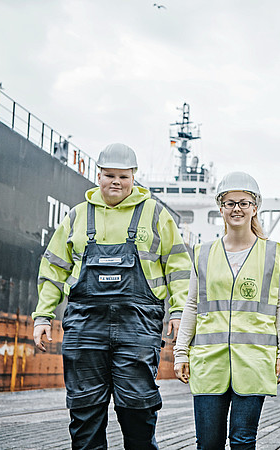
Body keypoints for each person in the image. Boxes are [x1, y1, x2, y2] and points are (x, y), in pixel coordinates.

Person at [32, 143, 192, 449]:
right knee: (85, 410)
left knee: (138, 408)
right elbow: (53, 268)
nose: (115, 182)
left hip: (138, 325)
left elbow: (179, 265)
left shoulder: (156, 214)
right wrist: (43, 315)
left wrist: (178, 310)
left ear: (134, 177)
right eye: (108, 175)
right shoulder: (78, 216)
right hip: (85, 325)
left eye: (122, 176)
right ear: (98, 175)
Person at [173, 172, 280, 450]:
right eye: (229, 203)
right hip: (209, 362)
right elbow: (191, 304)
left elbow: (279, 306)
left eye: (243, 202)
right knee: (209, 444)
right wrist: (181, 352)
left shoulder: (271, 253)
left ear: (255, 207)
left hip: (253, 360)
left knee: (242, 441)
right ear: (221, 208)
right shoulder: (203, 253)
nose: (236, 208)